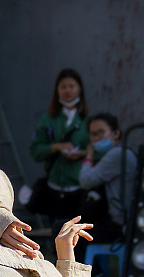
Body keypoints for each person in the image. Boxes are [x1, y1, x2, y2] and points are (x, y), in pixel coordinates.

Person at [76, 113, 138, 277]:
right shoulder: (118, 153)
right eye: (93, 135)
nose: (96, 139)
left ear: (116, 133)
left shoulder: (117, 155)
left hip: (120, 224)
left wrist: (88, 156)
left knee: (67, 232)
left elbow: (86, 180)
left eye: (101, 133)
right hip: (115, 219)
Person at [26, 68, 90, 224]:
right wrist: (55, 147)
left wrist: (82, 154)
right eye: (63, 86)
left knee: (79, 236)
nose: (67, 90)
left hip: (80, 187)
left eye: (71, 86)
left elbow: (101, 150)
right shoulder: (48, 120)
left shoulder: (89, 120)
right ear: (57, 90)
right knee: (57, 234)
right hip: (54, 187)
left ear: (79, 88)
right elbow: (35, 151)